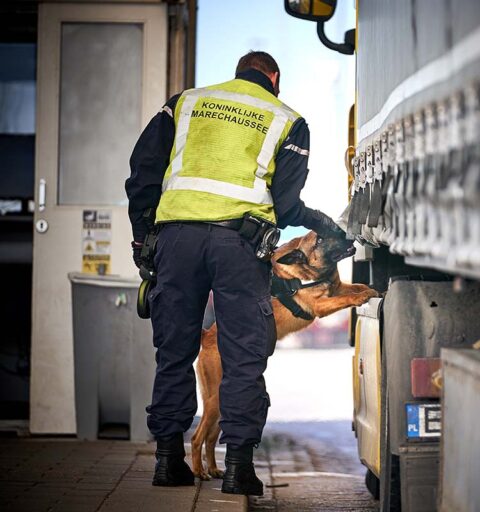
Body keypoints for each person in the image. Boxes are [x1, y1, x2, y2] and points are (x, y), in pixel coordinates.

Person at [125, 50, 345, 496]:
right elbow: (286, 207)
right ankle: (238, 469)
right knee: (244, 355)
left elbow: (143, 173)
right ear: (274, 78)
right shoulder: (287, 118)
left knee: (174, 352)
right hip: (239, 245)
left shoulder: (185, 103)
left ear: (239, 72)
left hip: (177, 240)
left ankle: (168, 461)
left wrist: (142, 239)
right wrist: (324, 225)